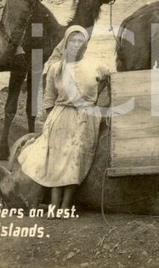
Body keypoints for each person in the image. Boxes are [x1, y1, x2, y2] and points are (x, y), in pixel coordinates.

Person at [17, 26, 111, 215]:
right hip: (60, 117)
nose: (76, 45)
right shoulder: (55, 68)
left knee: (75, 163)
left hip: (85, 119)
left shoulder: (97, 66)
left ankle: (65, 206)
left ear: (85, 46)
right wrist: (49, 123)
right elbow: (49, 99)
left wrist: (98, 104)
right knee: (56, 162)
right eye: (72, 41)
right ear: (66, 44)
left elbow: (110, 83)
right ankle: (53, 206)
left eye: (80, 42)